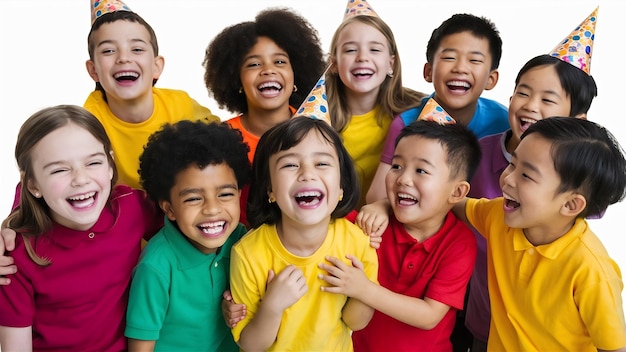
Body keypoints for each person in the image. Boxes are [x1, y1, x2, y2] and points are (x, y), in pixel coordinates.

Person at [464, 9, 599, 350]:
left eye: (548, 100)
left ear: (577, 121)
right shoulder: (478, 152)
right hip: (483, 310)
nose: (530, 106)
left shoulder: (580, 180)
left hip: (543, 329)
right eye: (523, 92)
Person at [454, 117, 626, 350]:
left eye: (526, 176)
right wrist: (387, 205)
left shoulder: (591, 270)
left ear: (571, 205)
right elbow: (458, 204)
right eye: (513, 164)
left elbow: (613, 347)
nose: (507, 179)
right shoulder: (497, 217)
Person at [0, 105, 162, 351]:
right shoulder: (17, 257)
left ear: (110, 165)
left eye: (93, 163)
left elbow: (188, 230)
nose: (80, 179)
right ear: (32, 185)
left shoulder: (132, 208)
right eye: (60, 169)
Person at [321, 119, 480, 351]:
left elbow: (429, 315)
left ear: (457, 191)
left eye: (421, 170)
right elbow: (320, 222)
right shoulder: (372, 224)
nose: (403, 179)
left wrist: (364, 289)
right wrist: (377, 206)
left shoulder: (460, 243)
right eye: (396, 166)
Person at [229, 116, 379, 351]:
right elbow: (250, 344)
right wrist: (272, 307)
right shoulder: (248, 253)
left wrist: (362, 291)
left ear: (341, 187)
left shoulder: (357, 242)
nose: (307, 174)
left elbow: (355, 323)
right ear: (270, 190)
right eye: (290, 164)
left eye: (321, 163)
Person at [125, 120, 250, 351]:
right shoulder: (156, 268)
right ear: (169, 209)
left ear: (239, 195)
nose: (212, 209)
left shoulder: (243, 241)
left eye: (224, 194)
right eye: (193, 198)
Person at [366, 13, 509, 204]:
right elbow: (376, 196)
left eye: (474, 60)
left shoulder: (503, 122)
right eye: (449, 57)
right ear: (428, 71)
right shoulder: (407, 123)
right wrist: (380, 208)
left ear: (491, 79)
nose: (460, 68)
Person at [203, 7, 325, 227]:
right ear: (237, 80)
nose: (268, 70)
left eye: (279, 61)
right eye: (254, 64)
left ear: (295, 74)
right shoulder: (219, 140)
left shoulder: (317, 129)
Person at [85, 0, 221, 190]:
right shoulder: (87, 122)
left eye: (137, 49)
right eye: (108, 50)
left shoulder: (181, 105)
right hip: (122, 212)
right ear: (94, 71)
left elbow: (222, 144)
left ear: (156, 67)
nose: (124, 58)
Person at [326, 0, 428, 208]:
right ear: (334, 64)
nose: (362, 58)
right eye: (350, 50)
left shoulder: (416, 112)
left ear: (391, 63)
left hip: (394, 222)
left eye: (374, 49)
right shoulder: (320, 119)